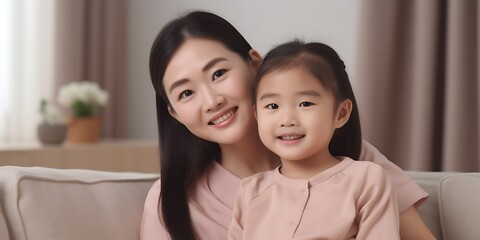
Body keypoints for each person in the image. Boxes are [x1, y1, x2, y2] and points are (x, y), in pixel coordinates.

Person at [141, 10, 434, 240]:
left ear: (254, 63)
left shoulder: (354, 159)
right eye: (186, 93)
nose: (211, 100)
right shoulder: (171, 201)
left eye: (218, 73)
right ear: (175, 113)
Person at [228, 40, 399, 239]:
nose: (287, 120)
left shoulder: (367, 180)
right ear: (257, 116)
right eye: (273, 106)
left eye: (305, 103)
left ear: (341, 113)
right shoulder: (250, 191)